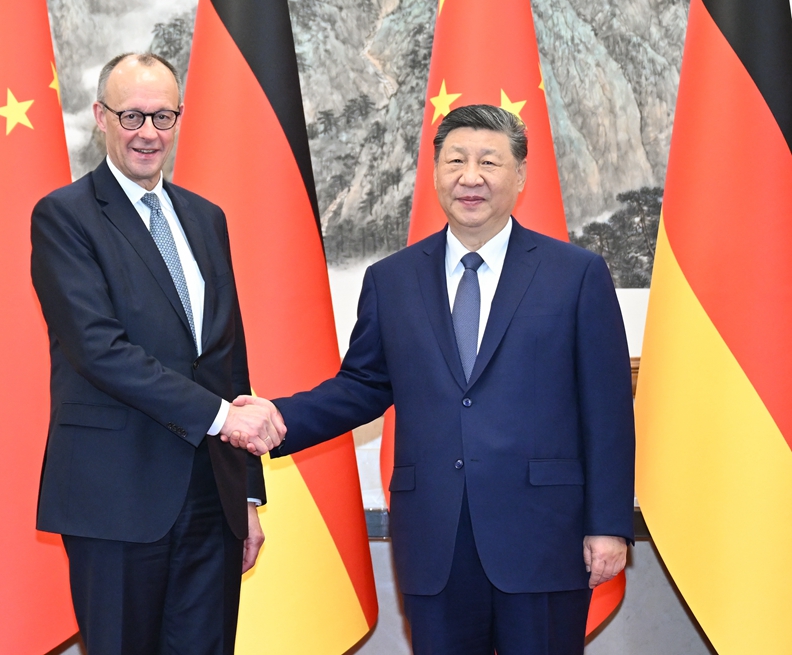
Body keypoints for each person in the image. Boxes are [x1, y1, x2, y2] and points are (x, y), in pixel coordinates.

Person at [231, 105, 635, 655]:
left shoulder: (576, 274)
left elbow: (607, 410)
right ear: (435, 172)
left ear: (520, 175)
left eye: (490, 162)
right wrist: (278, 418)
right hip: (435, 536)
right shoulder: (392, 279)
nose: (471, 177)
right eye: (456, 161)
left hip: (544, 534)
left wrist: (608, 524)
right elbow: (363, 386)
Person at [30, 52, 284, 655]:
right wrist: (225, 420)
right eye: (132, 116)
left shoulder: (206, 218)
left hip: (210, 500)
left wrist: (246, 493)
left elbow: (229, 361)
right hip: (116, 498)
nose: (149, 133)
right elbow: (100, 351)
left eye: (163, 116)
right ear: (101, 116)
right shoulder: (64, 217)